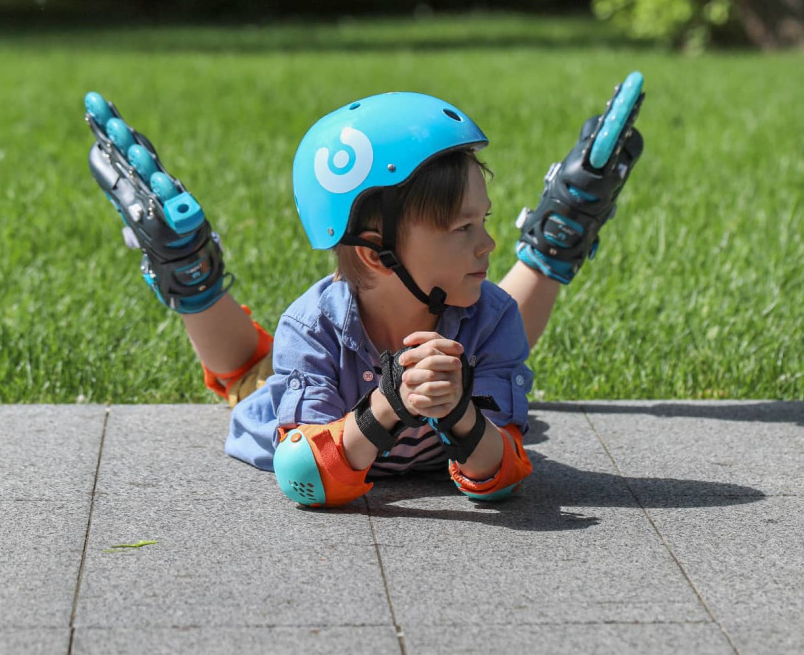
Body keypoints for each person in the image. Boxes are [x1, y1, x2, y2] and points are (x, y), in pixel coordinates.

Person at [84, 82, 643, 507]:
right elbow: (303, 477)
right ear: (377, 254)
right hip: (316, 385)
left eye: (484, 221)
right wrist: (390, 404)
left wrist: (461, 415)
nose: (488, 244)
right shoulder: (311, 327)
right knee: (252, 373)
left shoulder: (493, 316)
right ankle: (189, 270)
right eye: (462, 228)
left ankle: (558, 234)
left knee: (481, 309)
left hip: (412, 377)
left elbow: (505, 474)